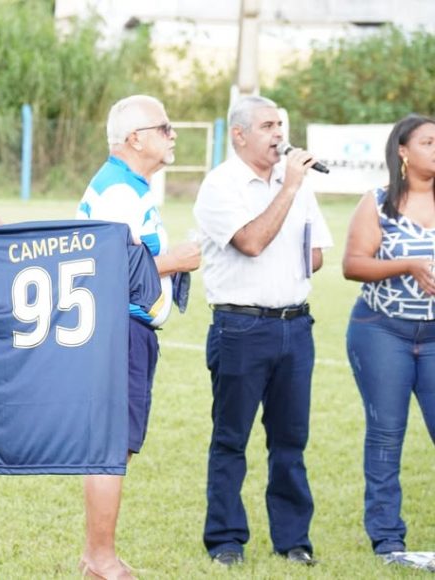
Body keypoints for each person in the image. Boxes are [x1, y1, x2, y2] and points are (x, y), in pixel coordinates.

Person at [192, 95, 333, 567]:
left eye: (280, 124)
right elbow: (251, 243)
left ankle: (293, 540)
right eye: (268, 125)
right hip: (241, 327)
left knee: (290, 440)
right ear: (239, 134)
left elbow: (317, 253)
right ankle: (226, 540)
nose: (279, 134)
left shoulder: (297, 184)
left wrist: (291, 197)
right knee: (231, 438)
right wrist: (288, 188)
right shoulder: (221, 185)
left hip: (295, 325)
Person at [74, 95, 201, 579]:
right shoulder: (120, 193)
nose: (173, 134)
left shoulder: (129, 186)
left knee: (115, 446)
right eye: (164, 127)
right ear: (135, 138)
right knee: (111, 447)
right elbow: (108, 269)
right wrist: (176, 260)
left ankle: (98, 557)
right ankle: (99, 557)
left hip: (126, 331)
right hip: (118, 331)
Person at [342, 114, 435, 570]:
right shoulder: (378, 204)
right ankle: (387, 540)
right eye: (429, 142)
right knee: (386, 433)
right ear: (403, 151)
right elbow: (353, 265)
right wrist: (408, 265)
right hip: (381, 331)